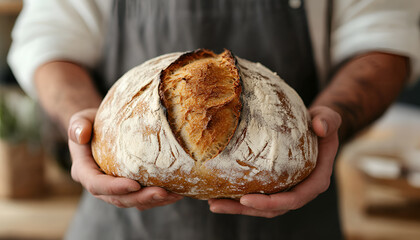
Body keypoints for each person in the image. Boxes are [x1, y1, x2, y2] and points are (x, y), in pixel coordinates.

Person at [8, 0, 420, 239]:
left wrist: (333, 119)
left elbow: (383, 37)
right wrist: (87, 124)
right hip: (122, 226)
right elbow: (50, 37)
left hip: (299, 219)